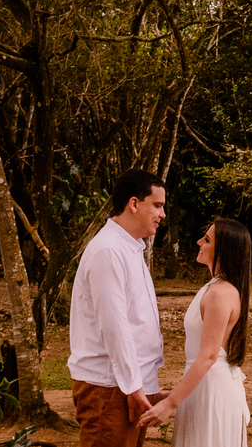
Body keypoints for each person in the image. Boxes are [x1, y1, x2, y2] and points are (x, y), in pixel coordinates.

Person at [68, 168, 166, 447]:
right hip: (110, 388)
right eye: (157, 205)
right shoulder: (108, 250)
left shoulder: (131, 247)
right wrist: (133, 386)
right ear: (134, 204)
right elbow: (114, 326)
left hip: (130, 386)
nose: (162, 214)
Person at [138, 217, 251, 446]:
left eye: (207, 239)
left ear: (224, 250)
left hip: (212, 388)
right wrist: (176, 393)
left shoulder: (221, 293)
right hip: (201, 384)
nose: (199, 242)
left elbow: (209, 356)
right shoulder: (213, 287)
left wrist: (170, 405)